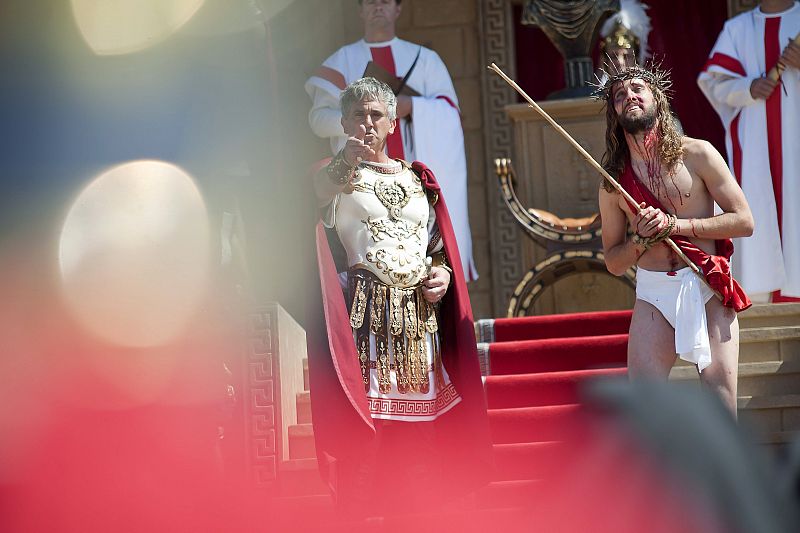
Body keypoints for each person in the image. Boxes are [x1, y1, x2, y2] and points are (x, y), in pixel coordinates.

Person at [306, 77, 492, 516]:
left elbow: (437, 247)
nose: (367, 124)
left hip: (419, 319)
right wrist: (340, 164)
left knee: (421, 429)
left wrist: (444, 274)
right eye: (357, 115)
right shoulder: (334, 176)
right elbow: (314, 199)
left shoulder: (417, 178)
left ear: (392, 123)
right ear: (344, 121)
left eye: (375, 115)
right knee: (369, 430)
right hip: (366, 317)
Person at [594, 63, 754, 415]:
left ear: (657, 98)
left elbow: (744, 221)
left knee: (721, 404)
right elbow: (614, 262)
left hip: (706, 284)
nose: (629, 97)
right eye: (619, 95)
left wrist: (675, 227)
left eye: (637, 89)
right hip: (654, 294)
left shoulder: (698, 154)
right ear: (614, 113)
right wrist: (642, 241)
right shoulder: (612, 183)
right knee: (646, 410)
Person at [304, 0, 478, 281]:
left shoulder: (425, 60)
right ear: (360, 10)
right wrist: (357, 123)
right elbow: (317, 120)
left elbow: (450, 113)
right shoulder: (341, 60)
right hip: (358, 184)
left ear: (398, 9)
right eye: (370, 2)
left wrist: (412, 105)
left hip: (409, 183)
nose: (378, 7)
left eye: (385, 1)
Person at [697, 0, 800, 302]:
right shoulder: (737, 29)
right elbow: (715, 84)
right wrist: (748, 88)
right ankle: (764, 295)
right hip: (755, 146)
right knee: (759, 208)